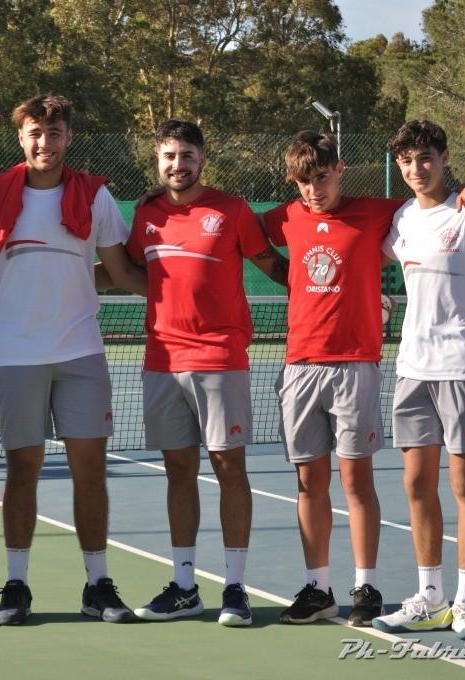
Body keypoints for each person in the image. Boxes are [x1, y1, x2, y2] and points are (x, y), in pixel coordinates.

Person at [261, 130, 465, 627]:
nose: (314, 189)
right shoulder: (287, 216)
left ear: (340, 170)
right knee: (308, 482)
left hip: (356, 364)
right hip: (299, 365)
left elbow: (432, 199)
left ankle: (366, 586)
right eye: (303, 181)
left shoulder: (378, 211)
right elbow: (244, 232)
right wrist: (282, 271)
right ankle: (318, 588)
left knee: (355, 480)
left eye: (322, 177)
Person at [0, 94, 147, 625]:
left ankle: (97, 584)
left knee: (91, 471)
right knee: (22, 471)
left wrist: (192, 291)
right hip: (17, 357)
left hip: (81, 352)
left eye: (54, 133)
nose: (45, 142)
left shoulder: (95, 196)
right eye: (35, 133)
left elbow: (120, 273)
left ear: (68, 139)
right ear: (21, 138)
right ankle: (16, 585)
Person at [117, 120, 289, 627]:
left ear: (202, 160)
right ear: (157, 160)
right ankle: (185, 586)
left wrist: (338, 292)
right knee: (177, 471)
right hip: (161, 361)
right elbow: (128, 270)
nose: (178, 164)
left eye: (187, 155)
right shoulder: (146, 213)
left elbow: (276, 267)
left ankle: (235, 588)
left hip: (219, 359)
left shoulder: (232, 210)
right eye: (169, 156)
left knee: (229, 469)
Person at [373, 120, 465, 641]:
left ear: (444, 158)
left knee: (464, 485)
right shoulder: (402, 219)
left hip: (464, 370)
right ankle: (430, 598)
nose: (417, 169)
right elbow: (369, 254)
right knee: (415, 484)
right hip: (412, 370)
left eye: (426, 158)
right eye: (407, 161)